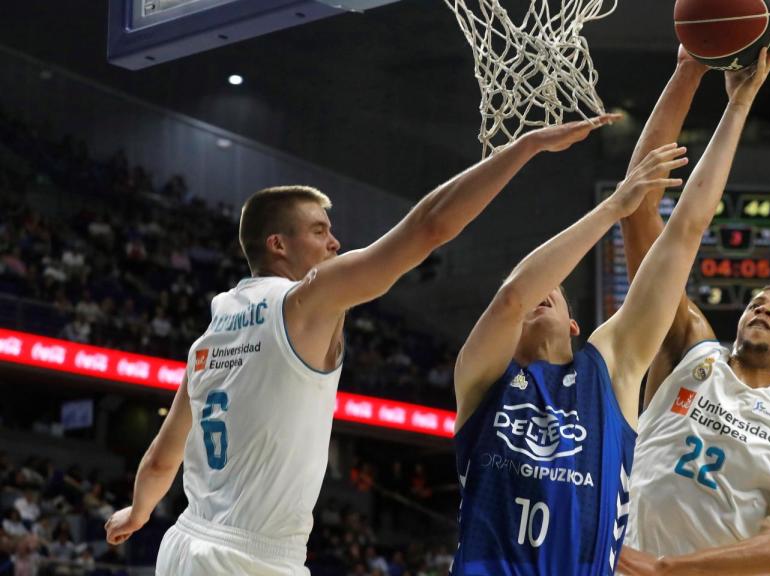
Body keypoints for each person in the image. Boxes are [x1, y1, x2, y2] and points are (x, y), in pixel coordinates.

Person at [103, 114, 619, 576]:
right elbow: (430, 227)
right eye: (320, 230)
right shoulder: (305, 302)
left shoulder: (209, 338)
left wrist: (138, 512)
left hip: (184, 544)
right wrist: (523, 148)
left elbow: (160, 461)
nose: (334, 243)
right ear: (278, 245)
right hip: (251, 559)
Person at [449, 42, 770, 569]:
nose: (539, 296)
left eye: (552, 293)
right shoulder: (481, 378)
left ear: (576, 325)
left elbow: (684, 232)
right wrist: (613, 206)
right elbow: (513, 293)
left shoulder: (610, 371)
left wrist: (728, 99)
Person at [614, 27, 770, 576]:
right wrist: (689, 71)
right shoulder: (689, 345)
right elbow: (640, 206)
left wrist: (669, 569)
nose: (763, 308)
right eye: (758, 302)